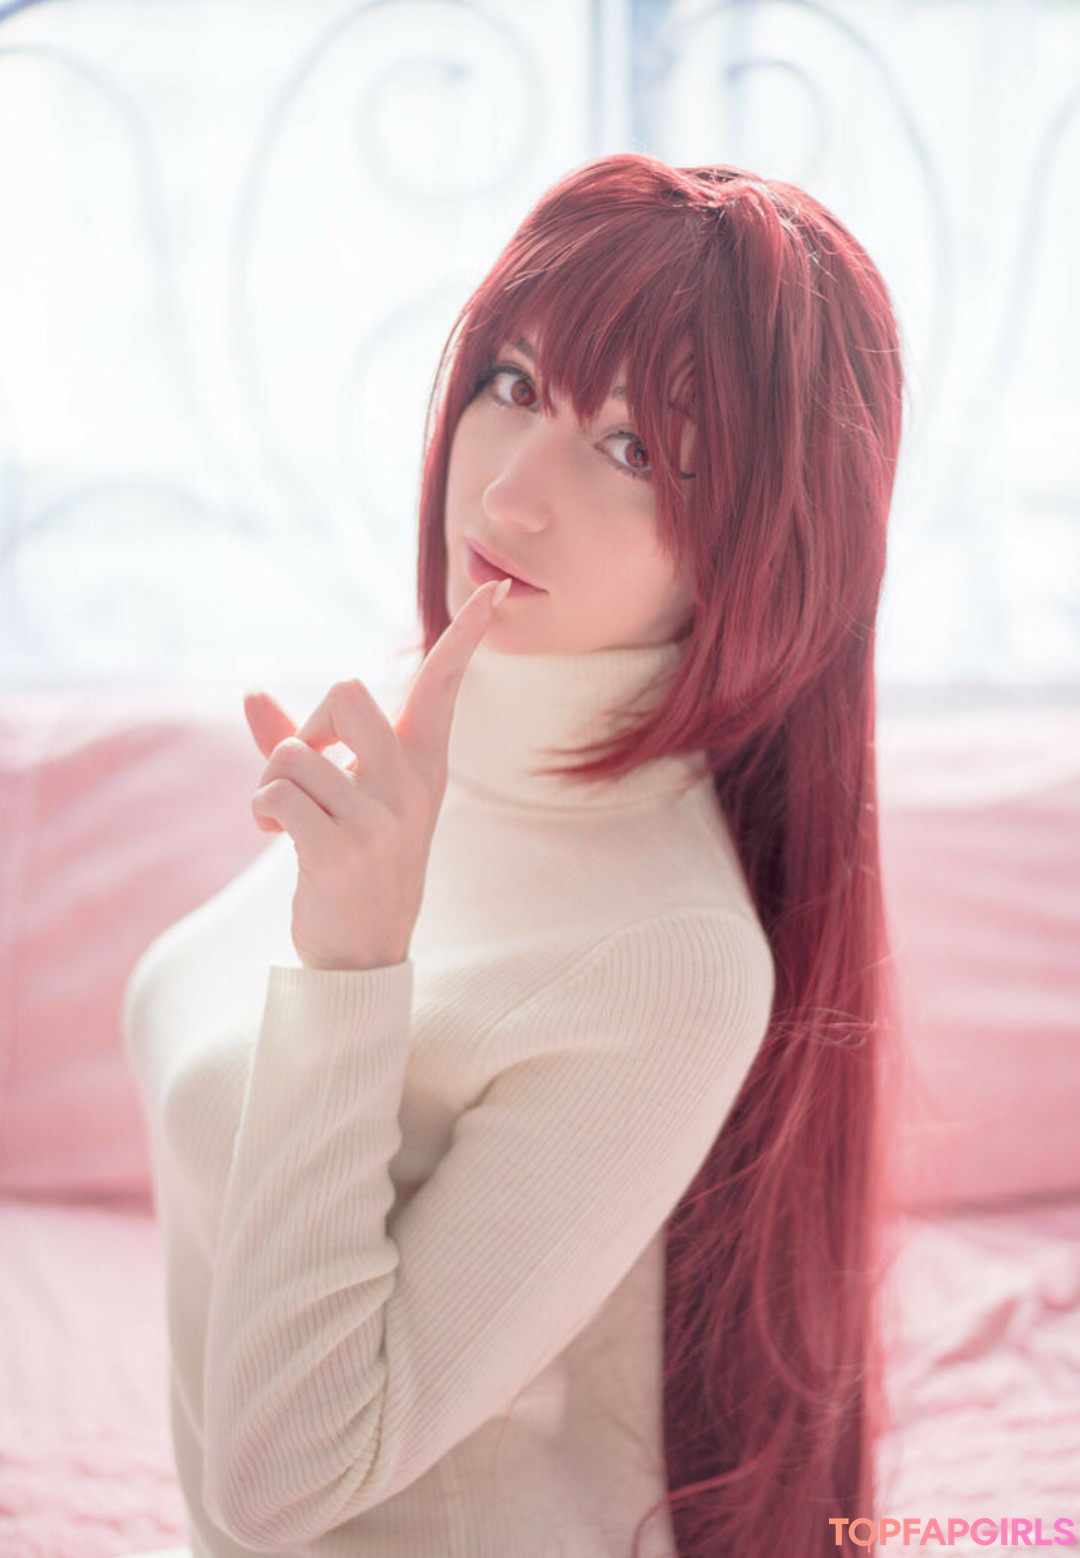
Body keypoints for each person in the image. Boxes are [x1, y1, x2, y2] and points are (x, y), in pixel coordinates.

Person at [120, 150, 905, 1558]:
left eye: (637, 453)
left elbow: (285, 1484)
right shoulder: (429, 709)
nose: (512, 494)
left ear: (763, 548)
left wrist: (353, 966)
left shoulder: (672, 960)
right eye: (516, 383)